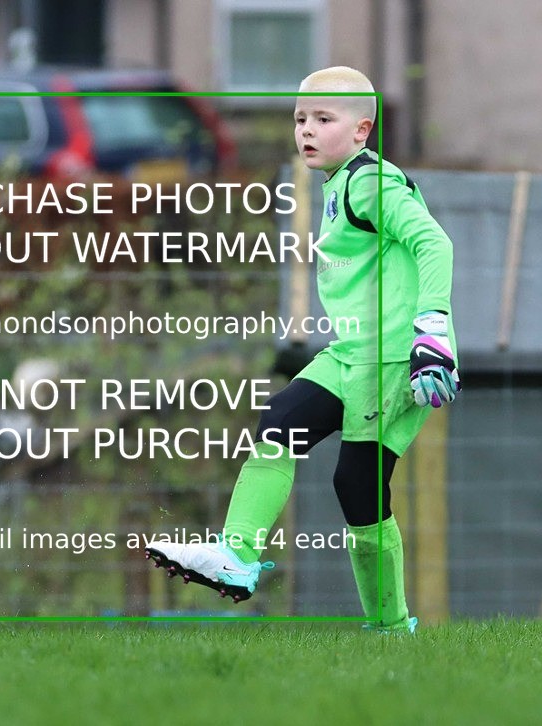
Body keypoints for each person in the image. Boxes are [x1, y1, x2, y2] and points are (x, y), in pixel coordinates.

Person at [144, 66, 460, 633]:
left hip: (388, 358)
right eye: (300, 119)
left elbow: (434, 241)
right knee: (282, 420)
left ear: (362, 130)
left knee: (358, 486)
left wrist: (431, 333)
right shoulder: (339, 182)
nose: (307, 131)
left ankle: (391, 628)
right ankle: (236, 559)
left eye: (323, 118)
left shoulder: (370, 184)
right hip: (351, 355)